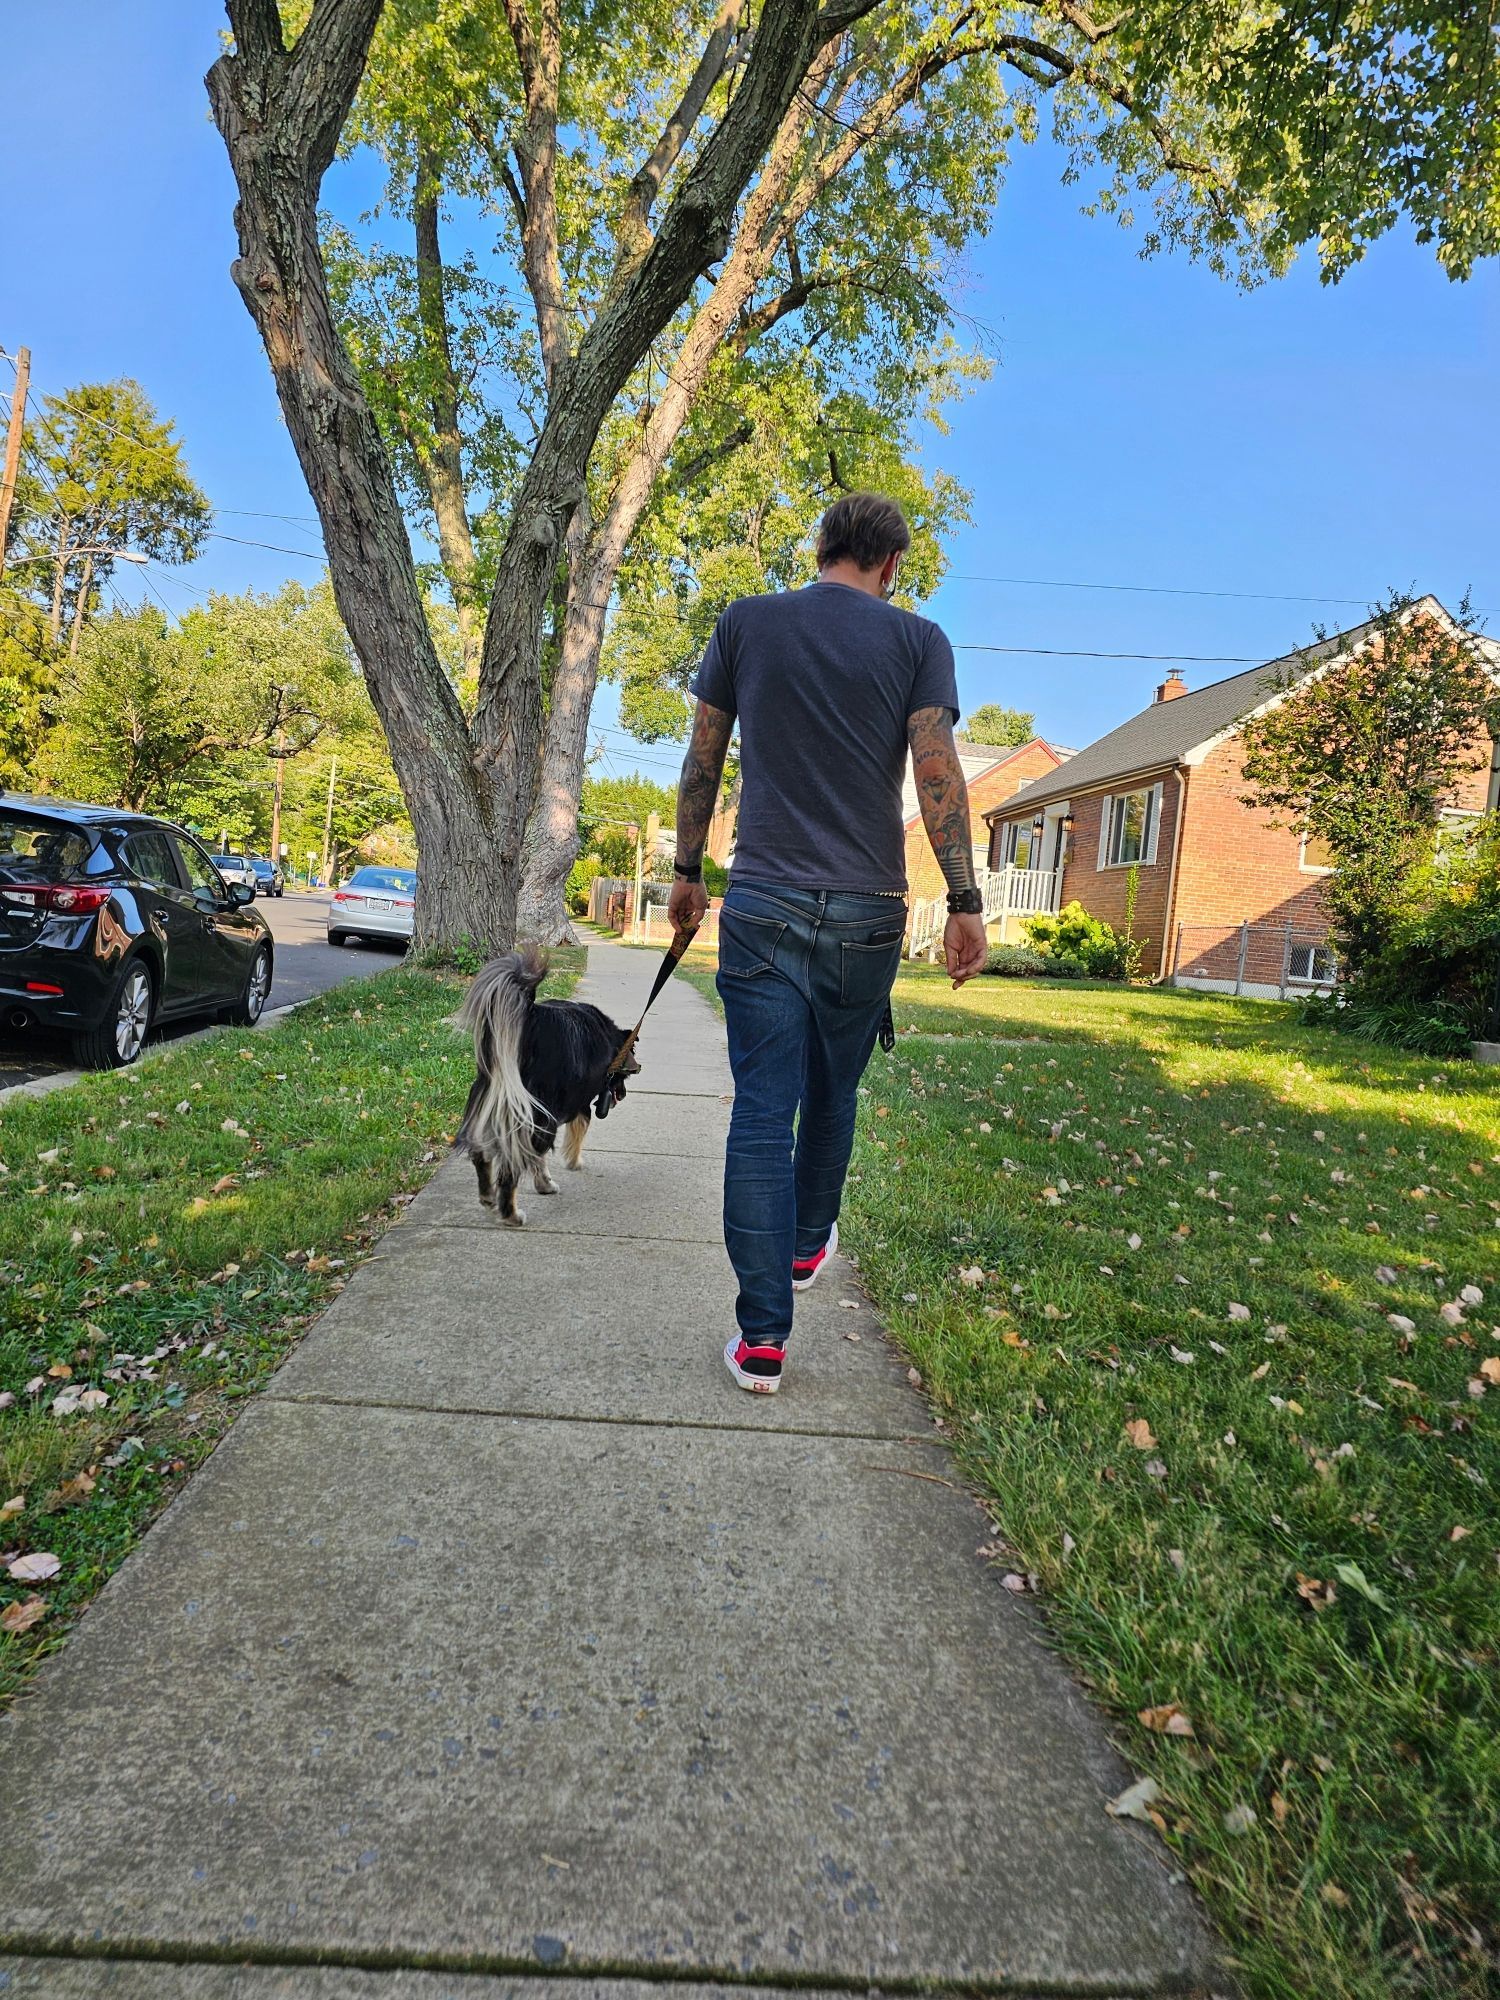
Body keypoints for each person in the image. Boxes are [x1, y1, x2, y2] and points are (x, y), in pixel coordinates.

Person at [668, 491, 988, 1395]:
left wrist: (687, 872)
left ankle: (762, 1338)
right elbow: (938, 771)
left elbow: (702, 760)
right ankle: (808, 1241)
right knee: (833, 1090)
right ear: (891, 565)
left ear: (821, 550)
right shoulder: (918, 641)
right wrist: (964, 897)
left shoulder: (746, 623)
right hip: (869, 911)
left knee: (763, 1112)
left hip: (762, 898)